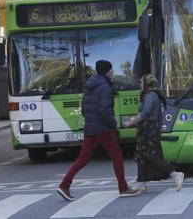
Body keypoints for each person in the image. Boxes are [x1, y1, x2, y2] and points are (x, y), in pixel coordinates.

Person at [57, 60, 141, 201]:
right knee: (117, 156)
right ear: (107, 71)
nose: (113, 72)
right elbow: (104, 110)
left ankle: (64, 185)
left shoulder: (90, 86)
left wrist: (92, 120)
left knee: (82, 159)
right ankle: (123, 188)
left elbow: (84, 109)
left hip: (90, 127)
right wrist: (112, 124)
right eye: (111, 70)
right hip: (103, 128)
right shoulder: (105, 88)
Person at [123, 74, 184, 191]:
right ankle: (141, 182)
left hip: (149, 129)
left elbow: (146, 113)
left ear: (146, 83)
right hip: (146, 128)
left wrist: (130, 123)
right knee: (141, 155)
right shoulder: (150, 95)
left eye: (141, 82)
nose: (140, 84)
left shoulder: (151, 95)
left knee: (152, 155)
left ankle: (175, 174)